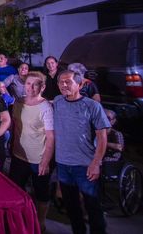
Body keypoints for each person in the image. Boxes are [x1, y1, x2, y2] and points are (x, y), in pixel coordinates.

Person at [54, 70, 110, 234]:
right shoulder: (57, 102)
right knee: (72, 208)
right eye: (61, 82)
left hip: (85, 165)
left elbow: (102, 137)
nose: (64, 85)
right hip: (63, 165)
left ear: (79, 84)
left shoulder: (92, 105)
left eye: (68, 81)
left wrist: (96, 163)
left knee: (93, 207)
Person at [9, 71, 54, 233]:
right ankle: (20, 220)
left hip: (38, 158)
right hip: (18, 156)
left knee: (41, 192)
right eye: (28, 83)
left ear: (42, 87)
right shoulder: (18, 102)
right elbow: (15, 126)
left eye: (36, 84)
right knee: (16, 190)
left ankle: (41, 222)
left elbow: (50, 137)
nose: (31, 87)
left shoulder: (46, 107)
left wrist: (45, 161)